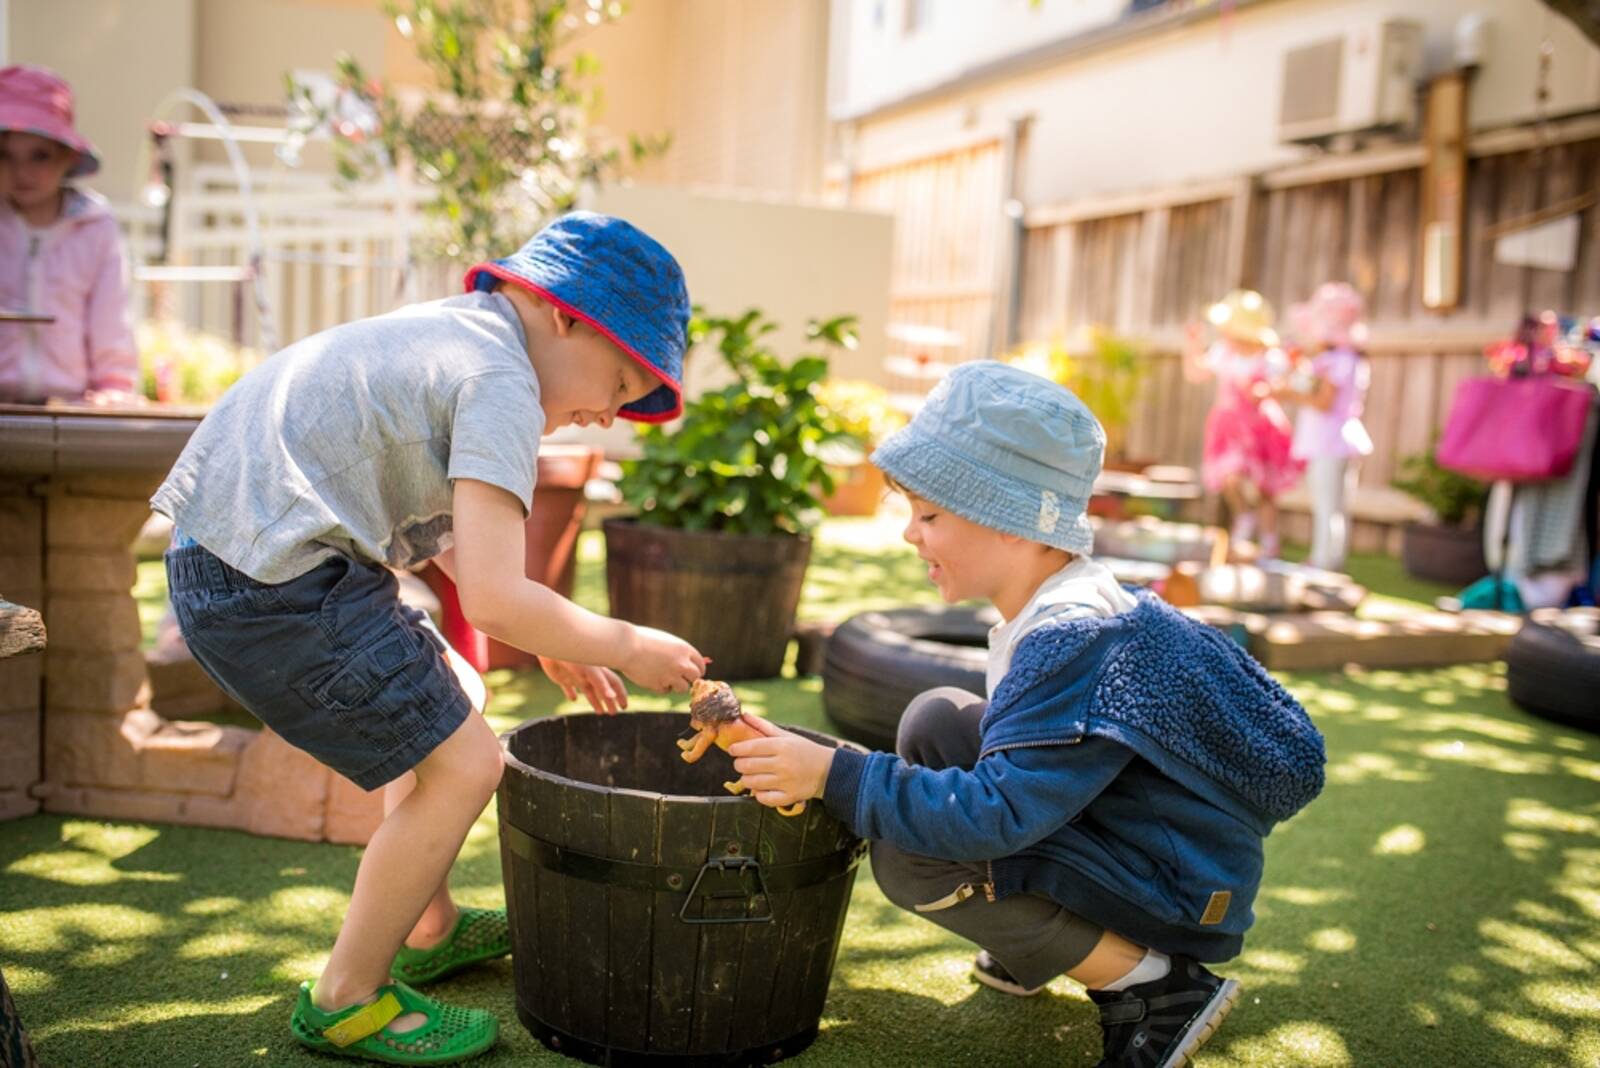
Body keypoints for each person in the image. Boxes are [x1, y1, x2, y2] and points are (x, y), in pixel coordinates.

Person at [150, 212, 708, 1064]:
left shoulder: (459, 336)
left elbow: (450, 539)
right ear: (565, 315)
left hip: (248, 555)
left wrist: (548, 632)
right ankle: (347, 998)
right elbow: (493, 597)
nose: (607, 415)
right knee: (466, 762)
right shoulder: (504, 381)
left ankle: (428, 924)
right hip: (270, 584)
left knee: (458, 702)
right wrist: (623, 643)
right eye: (623, 383)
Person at [726, 361, 1326, 1068]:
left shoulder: (1072, 637)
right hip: (1146, 847)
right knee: (937, 720)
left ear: (1010, 522)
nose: (909, 536)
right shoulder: (1059, 607)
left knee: (914, 856)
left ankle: (1155, 986)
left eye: (930, 516)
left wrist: (837, 776)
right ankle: (1034, 938)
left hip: (1178, 891)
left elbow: (992, 817)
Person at [0, 64, 139, 404]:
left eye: (39, 157)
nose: (22, 172)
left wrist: (113, 385)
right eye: (5, 156)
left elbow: (112, 315)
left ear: (66, 157)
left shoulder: (94, 227)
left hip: (72, 404)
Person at [1185, 289, 1302, 559]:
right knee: (1230, 477)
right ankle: (1244, 516)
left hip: (1260, 427)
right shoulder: (1223, 353)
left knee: (1266, 487)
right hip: (1229, 426)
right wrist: (1192, 345)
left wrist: (1269, 388)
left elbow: (1286, 383)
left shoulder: (1268, 356)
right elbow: (1196, 372)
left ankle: (1269, 541)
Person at [1278, 282, 1373, 572]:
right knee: (1335, 505)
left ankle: (1322, 562)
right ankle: (1330, 559)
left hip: (1329, 440)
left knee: (1327, 504)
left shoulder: (1335, 362)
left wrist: (1287, 393)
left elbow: (1322, 402)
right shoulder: (1345, 360)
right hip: (1340, 439)